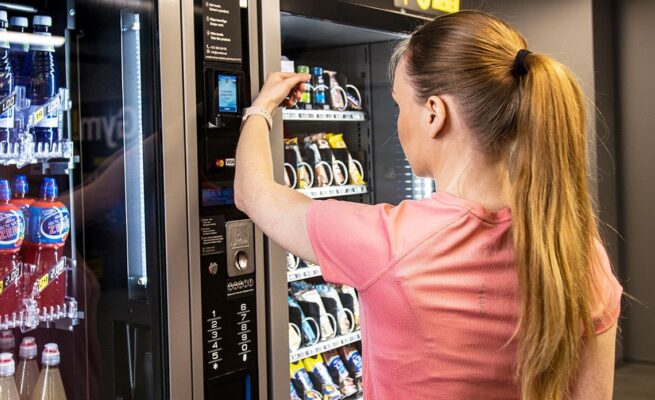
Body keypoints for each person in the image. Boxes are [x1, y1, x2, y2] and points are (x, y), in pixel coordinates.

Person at [234, 10, 622, 400]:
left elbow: (253, 193)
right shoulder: (580, 253)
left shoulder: (389, 244)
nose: (399, 121)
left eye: (400, 106)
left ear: (435, 114)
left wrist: (261, 109)